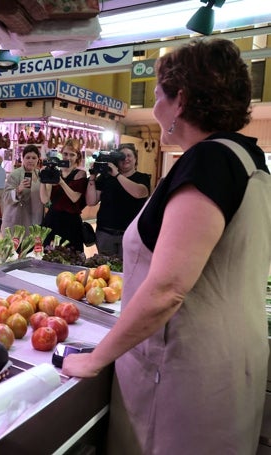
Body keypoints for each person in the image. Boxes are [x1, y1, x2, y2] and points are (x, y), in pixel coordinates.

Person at [63, 39, 271, 454]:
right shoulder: (250, 161)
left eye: (159, 94)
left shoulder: (208, 161)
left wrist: (96, 358)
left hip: (184, 376)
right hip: (229, 364)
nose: (155, 106)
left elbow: (168, 287)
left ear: (182, 101)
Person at [85, 143, 150, 257]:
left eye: (129, 155)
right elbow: (91, 202)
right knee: (105, 269)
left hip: (130, 234)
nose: (125, 159)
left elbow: (140, 193)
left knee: (127, 270)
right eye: (121, 156)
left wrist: (117, 174)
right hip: (105, 232)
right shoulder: (105, 178)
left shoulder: (142, 177)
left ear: (135, 159)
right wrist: (92, 177)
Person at [39, 140, 88, 251]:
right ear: (61, 154)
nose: (68, 157)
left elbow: (75, 198)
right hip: (52, 219)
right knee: (48, 255)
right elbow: (45, 199)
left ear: (77, 156)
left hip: (71, 222)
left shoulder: (80, 173)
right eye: (65, 154)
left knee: (72, 256)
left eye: (72, 154)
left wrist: (60, 182)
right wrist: (43, 179)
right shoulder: (55, 171)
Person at [0, 145, 43, 233]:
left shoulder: (40, 174)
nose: (31, 160)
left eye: (34, 158)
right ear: (23, 159)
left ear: (38, 160)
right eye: (28, 157)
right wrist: (18, 190)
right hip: (18, 219)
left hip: (36, 217)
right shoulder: (15, 174)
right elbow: (5, 197)